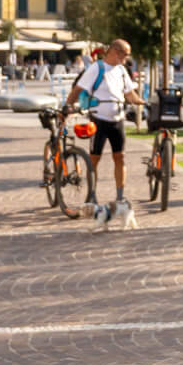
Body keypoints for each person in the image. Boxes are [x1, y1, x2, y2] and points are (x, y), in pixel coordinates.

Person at [68, 37, 143, 229]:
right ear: (115, 52)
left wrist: (141, 102)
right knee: (94, 159)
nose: (126, 59)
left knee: (120, 157)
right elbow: (78, 89)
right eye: (125, 54)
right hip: (98, 119)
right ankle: (92, 195)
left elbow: (129, 94)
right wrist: (67, 106)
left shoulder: (122, 71)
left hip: (117, 120)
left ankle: (119, 196)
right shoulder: (97, 68)